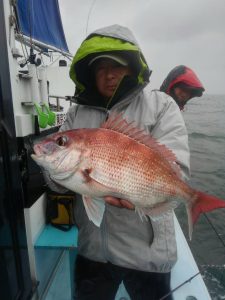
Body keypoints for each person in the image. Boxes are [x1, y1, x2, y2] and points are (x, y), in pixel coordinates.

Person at [46, 24, 190, 300]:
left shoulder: (161, 106)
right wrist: (53, 171)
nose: (109, 74)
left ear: (133, 67)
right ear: (90, 72)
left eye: (118, 65)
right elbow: (62, 182)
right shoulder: (76, 114)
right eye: (101, 67)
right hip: (93, 250)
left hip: (147, 252)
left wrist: (143, 194)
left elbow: (178, 171)